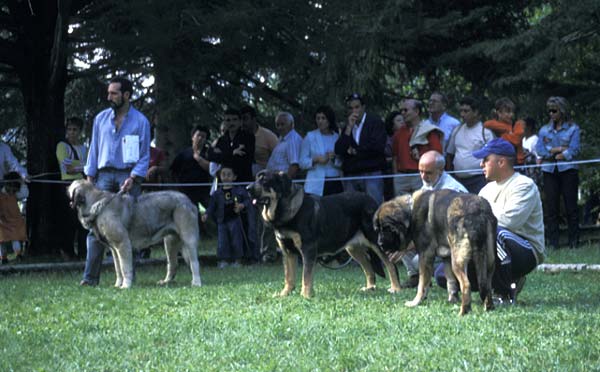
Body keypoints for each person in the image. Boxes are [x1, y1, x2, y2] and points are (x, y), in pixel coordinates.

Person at [435, 138, 546, 304]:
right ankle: (491, 285)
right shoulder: (486, 189)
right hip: (493, 245)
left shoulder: (524, 185)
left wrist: (476, 218)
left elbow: (510, 221)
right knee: (443, 273)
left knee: (494, 233)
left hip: (526, 249)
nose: (481, 164)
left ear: (501, 162)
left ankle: (506, 290)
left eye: (486, 160)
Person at [80, 76, 151, 286]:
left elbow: (144, 154)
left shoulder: (141, 121)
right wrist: (89, 177)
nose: (108, 96)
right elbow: (93, 149)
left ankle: (128, 278)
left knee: (128, 226)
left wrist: (133, 177)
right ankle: (90, 278)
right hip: (102, 177)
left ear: (126, 95)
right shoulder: (100, 119)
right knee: (96, 228)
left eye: (114, 93)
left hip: (128, 175)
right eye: (108, 92)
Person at [398, 151, 468, 288]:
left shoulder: (452, 190)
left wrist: (410, 244)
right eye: (420, 171)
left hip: (452, 242)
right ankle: (415, 277)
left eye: (428, 172)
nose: (423, 176)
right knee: (400, 238)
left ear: (441, 170)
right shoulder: (429, 184)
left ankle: (429, 276)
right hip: (433, 237)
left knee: (417, 260)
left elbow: (439, 231)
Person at [536, 96, 581, 249]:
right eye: (549, 111)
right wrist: (557, 150)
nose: (551, 114)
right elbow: (540, 150)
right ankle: (553, 242)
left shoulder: (573, 129)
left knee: (571, 207)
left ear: (562, 111)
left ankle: (574, 241)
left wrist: (564, 154)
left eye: (554, 110)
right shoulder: (544, 130)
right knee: (551, 207)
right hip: (549, 171)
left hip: (568, 171)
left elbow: (574, 149)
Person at [334, 93, 387, 204]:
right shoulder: (347, 127)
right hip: (351, 174)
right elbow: (339, 149)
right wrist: (349, 128)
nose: (354, 111)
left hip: (371, 174)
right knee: (352, 212)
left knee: (373, 208)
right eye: (350, 108)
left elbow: (377, 147)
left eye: (357, 107)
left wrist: (355, 151)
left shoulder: (375, 122)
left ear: (363, 107)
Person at [391, 98, 443, 196]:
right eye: (401, 110)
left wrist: (421, 157)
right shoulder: (398, 133)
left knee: (421, 208)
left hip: (421, 176)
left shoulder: (429, 131)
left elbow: (438, 155)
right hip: (401, 178)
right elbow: (395, 157)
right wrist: (396, 176)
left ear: (416, 111)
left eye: (405, 110)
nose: (402, 113)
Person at [202, 165, 250, 269]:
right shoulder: (217, 193)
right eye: (223, 175)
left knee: (236, 240)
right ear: (220, 176)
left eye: (229, 175)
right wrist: (206, 214)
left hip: (235, 219)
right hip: (222, 220)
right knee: (222, 241)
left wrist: (242, 205)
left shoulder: (239, 190)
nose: (226, 177)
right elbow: (211, 206)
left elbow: (247, 200)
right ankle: (223, 260)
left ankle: (238, 260)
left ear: (234, 177)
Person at [446, 96, 495, 194]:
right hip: (458, 180)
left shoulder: (485, 132)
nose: (462, 114)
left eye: (466, 111)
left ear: (476, 112)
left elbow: (492, 157)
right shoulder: (457, 130)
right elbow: (449, 154)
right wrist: (450, 175)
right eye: (461, 111)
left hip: (479, 180)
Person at [56, 116, 88, 260]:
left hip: (83, 186)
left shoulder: (84, 148)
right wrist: (83, 166)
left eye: (75, 130)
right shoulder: (62, 146)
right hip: (68, 185)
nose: (71, 133)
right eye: (69, 129)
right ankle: (67, 252)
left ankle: (83, 252)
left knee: (83, 220)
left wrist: (79, 166)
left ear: (80, 131)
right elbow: (68, 168)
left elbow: (86, 168)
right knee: (69, 220)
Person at [299, 105, 343, 196]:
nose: (320, 121)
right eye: (318, 118)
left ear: (329, 120)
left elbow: (342, 162)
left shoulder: (337, 137)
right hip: (315, 183)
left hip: (334, 181)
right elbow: (302, 163)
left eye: (323, 118)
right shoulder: (310, 137)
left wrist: (334, 159)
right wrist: (316, 160)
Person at [170, 125, 212, 210]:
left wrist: (199, 159)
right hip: (186, 192)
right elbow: (173, 171)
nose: (200, 138)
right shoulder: (183, 154)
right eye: (198, 135)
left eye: (203, 137)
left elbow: (212, 169)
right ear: (193, 137)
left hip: (204, 192)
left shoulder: (209, 153)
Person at [207, 108, 255, 183]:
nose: (231, 123)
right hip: (223, 183)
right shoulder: (221, 140)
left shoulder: (248, 137)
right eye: (228, 120)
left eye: (234, 119)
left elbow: (241, 159)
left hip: (242, 181)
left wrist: (222, 154)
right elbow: (210, 155)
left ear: (240, 122)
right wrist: (232, 153)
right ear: (224, 122)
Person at [484, 97, 526, 165]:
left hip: (516, 163)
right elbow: (486, 124)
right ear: (499, 113)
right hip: (498, 162)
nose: (511, 115)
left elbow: (516, 141)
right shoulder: (492, 124)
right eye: (508, 112)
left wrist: (502, 135)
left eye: (512, 112)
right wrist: (507, 130)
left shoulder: (518, 124)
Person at [240, 105, 279, 177]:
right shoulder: (238, 136)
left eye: (245, 119)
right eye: (240, 119)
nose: (242, 123)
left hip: (265, 173)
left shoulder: (268, 136)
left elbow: (279, 156)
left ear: (254, 119)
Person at [0, 172, 27, 264]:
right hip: (2, 221)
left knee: (15, 238)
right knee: (1, 240)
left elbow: (24, 194)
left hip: (15, 220)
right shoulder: (1, 194)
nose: (11, 190)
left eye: (14, 189)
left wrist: (22, 183)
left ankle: (18, 254)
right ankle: (3, 258)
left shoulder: (16, 195)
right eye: (10, 187)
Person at [266, 111, 303, 179]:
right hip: (274, 181)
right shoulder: (283, 138)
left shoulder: (293, 140)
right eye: (277, 125)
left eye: (282, 124)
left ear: (291, 125)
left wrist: (284, 184)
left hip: (282, 183)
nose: (280, 127)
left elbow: (294, 166)